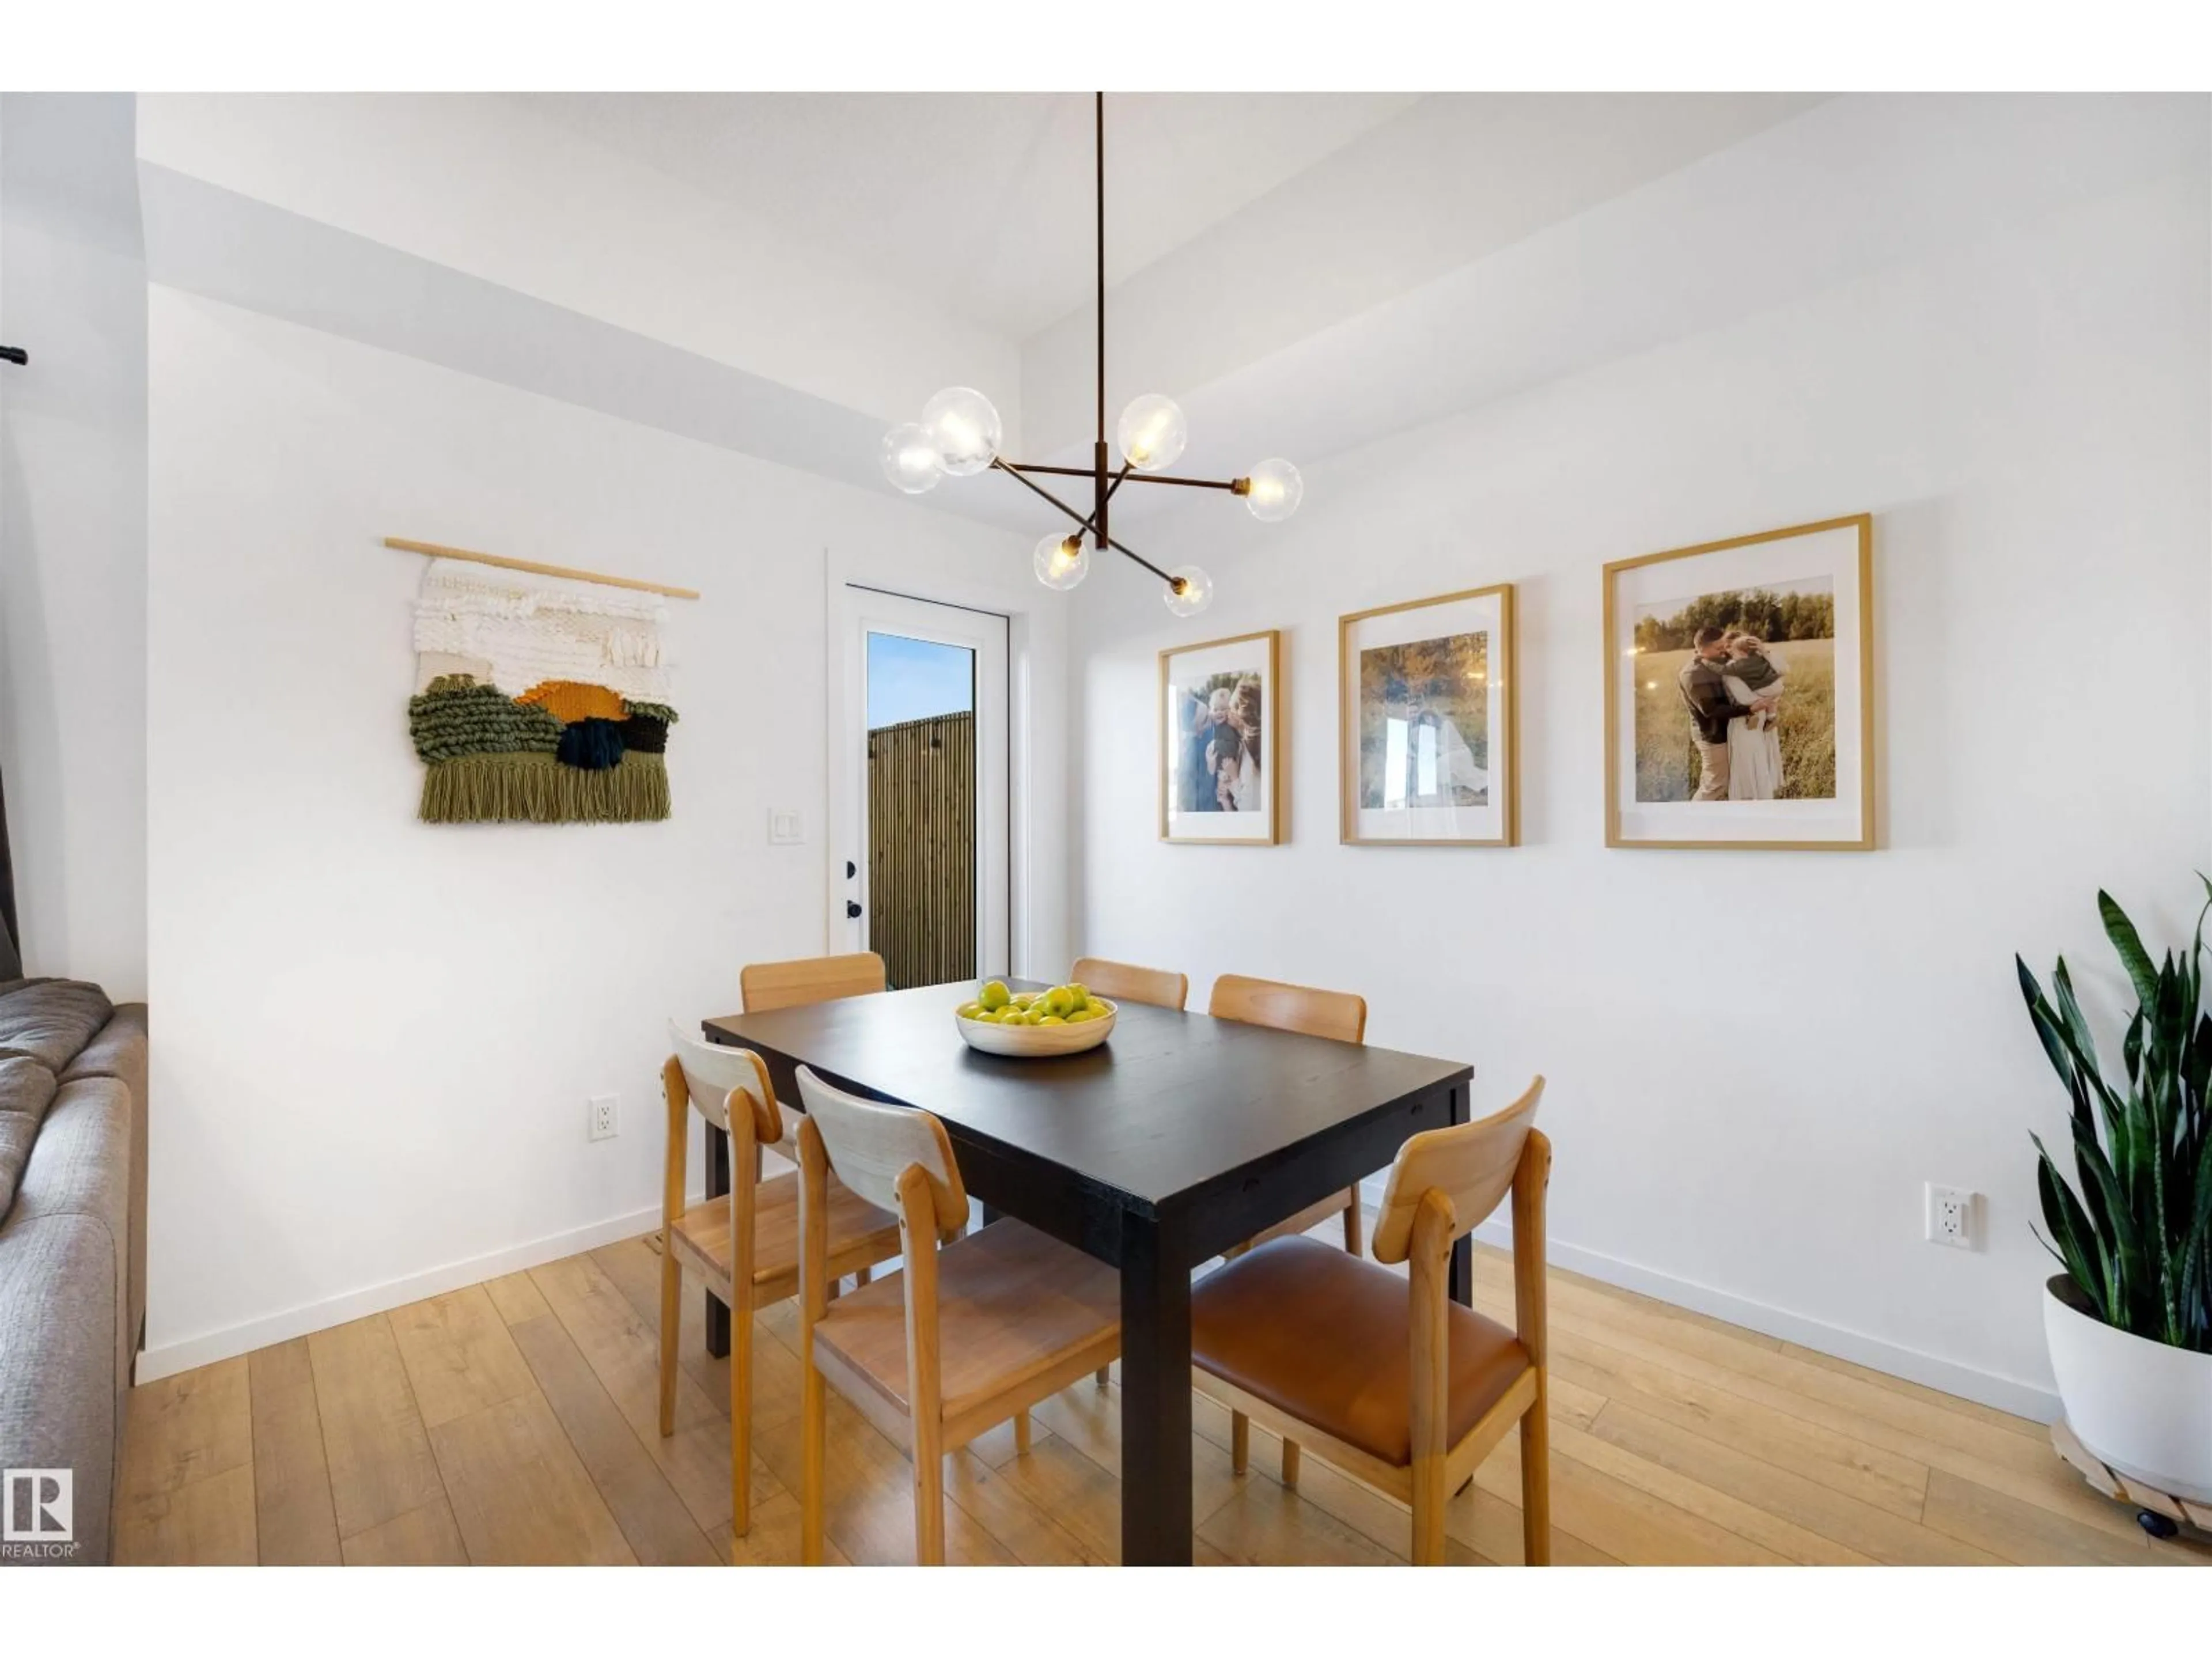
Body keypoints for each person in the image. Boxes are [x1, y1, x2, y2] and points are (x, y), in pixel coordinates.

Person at [1675, 626, 1776, 801]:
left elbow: (1747, 662)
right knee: (1716, 784)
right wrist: (1749, 709)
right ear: (1702, 649)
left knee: (1722, 781)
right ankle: (1691, 819)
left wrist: (1762, 650)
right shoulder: (1693, 674)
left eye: (1724, 646)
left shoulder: (1716, 660)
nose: (1724, 652)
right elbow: (1712, 710)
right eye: (1719, 648)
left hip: (1730, 731)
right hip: (1713, 736)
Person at [1721, 632, 1786, 800]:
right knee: (1752, 763)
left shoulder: (1754, 662)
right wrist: (1771, 700)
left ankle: (1761, 801)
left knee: (1761, 760)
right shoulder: (1732, 669)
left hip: (1759, 720)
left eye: (1731, 646)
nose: (1729, 650)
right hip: (1749, 721)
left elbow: (1783, 670)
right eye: (1727, 646)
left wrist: (1764, 651)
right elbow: (1746, 699)